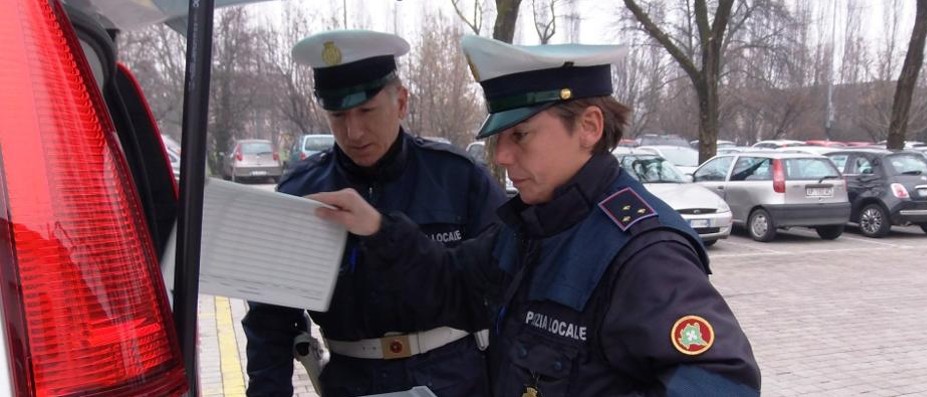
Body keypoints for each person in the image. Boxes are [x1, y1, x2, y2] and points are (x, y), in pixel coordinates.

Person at [308, 35, 762, 396]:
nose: (502, 155)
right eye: (500, 137)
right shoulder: (532, 225)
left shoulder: (642, 252)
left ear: (588, 128)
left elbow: (722, 380)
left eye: (521, 135)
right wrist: (379, 230)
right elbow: (455, 285)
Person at [241, 30, 506, 397]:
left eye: (367, 110)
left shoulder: (459, 180)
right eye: (338, 115)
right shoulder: (301, 195)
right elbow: (270, 320)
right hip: (352, 381)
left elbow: (504, 289)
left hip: (452, 377)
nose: (354, 132)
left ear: (401, 102)